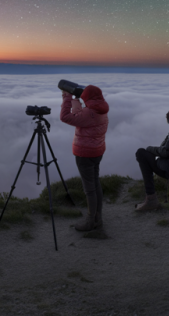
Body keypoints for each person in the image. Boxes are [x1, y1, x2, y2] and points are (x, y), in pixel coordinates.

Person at [59, 84, 109, 232]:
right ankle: (98, 218)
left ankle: (90, 221)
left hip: (85, 154)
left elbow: (65, 117)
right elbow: (80, 116)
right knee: (95, 183)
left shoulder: (89, 113)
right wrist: (76, 100)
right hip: (97, 151)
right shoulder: (101, 110)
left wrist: (67, 97)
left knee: (89, 189)